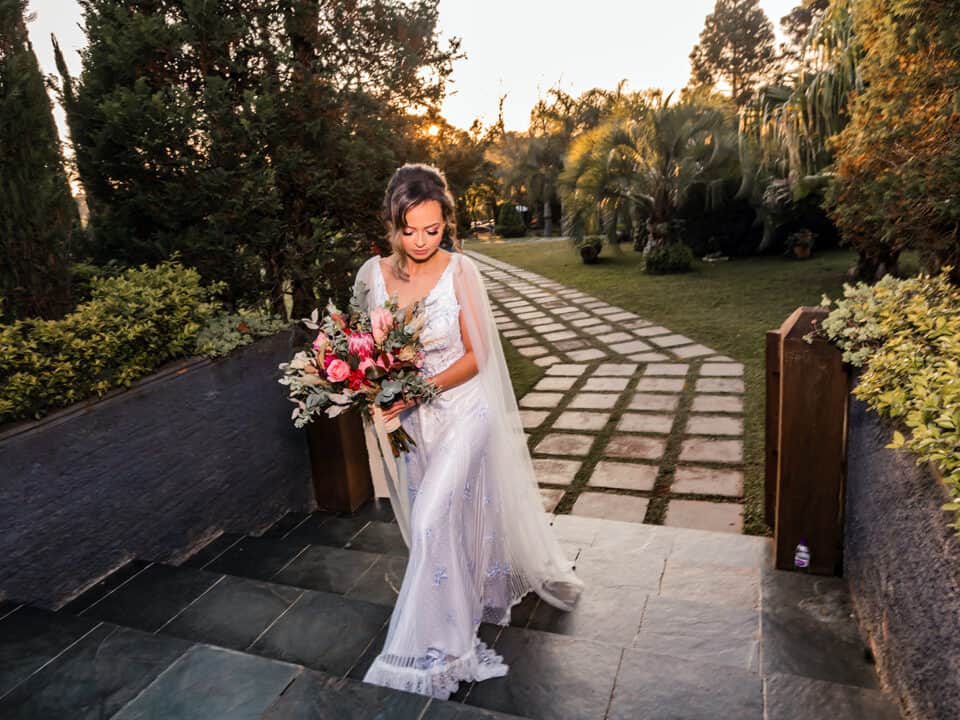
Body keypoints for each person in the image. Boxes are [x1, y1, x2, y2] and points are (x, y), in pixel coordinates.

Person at [351, 162, 583, 700]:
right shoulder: (372, 275)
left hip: (463, 412)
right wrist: (379, 386)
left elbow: (477, 357)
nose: (422, 240)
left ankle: (435, 652)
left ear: (445, 223)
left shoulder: (461, 272)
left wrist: (415, 388)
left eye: (433, 229)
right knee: (444, 520)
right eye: (410, 230)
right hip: (412, 424)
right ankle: (461, 601)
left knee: (432, 521)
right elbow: (365, 349)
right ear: (392, 223)